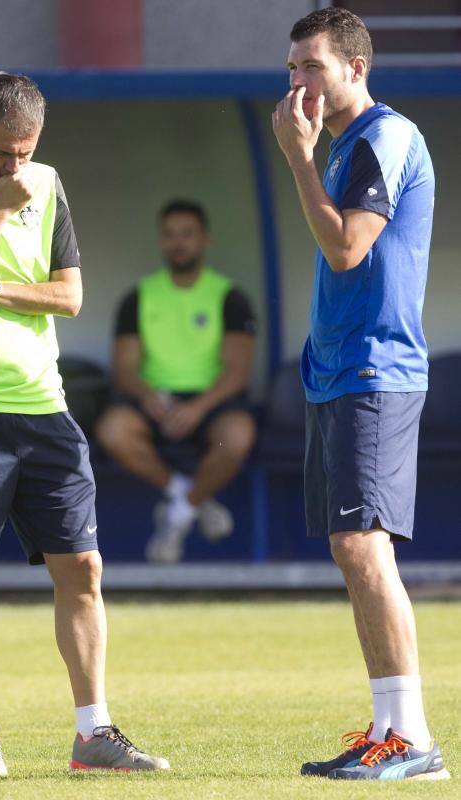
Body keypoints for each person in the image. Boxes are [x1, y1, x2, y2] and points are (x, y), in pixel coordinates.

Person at [0, 72, 168, 777]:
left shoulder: (47, 184)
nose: (14, 168)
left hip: (42, 406)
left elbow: (70, 296)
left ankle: (94, 732)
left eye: (24, 153)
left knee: (82, 567)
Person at [272, 8, 449, 782]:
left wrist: (297, 161)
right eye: (290, 69)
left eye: (310, 66)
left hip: (376, 371)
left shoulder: (383, 135)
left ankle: (410, 740)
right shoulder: (344, 145)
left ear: (354, 68)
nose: (297, 82)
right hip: (337, 370)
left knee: (361, 545)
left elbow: (346, 248)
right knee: (353, 551)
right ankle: (385, 728)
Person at [95, 200, 257, 563]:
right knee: (113, 431)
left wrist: (198, 407)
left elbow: (238, 371)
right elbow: (124, 368)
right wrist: (147, 395)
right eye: (170, 235)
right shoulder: (138, 297)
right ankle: (190, 499)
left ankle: (177, 515)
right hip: (155, 401)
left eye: (187, 234)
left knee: (237, 437)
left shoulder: (230, 297)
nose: (178, 242)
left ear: (205, 240)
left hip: (213, 404)